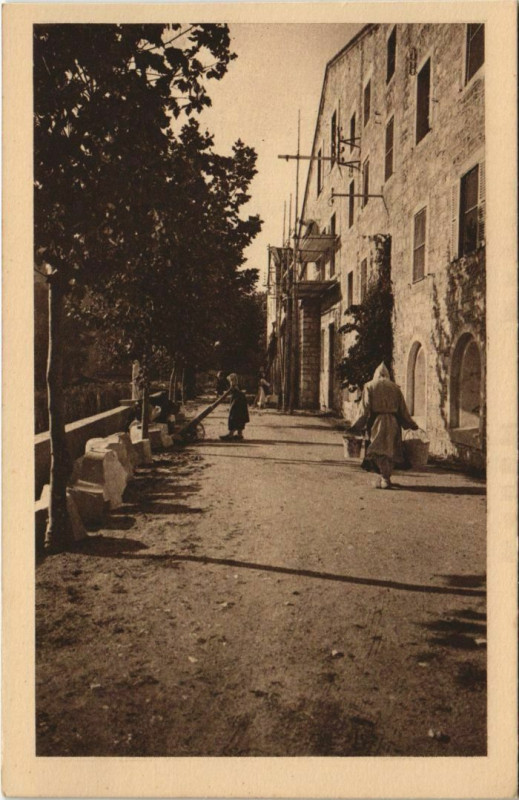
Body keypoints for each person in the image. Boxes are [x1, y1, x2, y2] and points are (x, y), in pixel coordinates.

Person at [348, 362, 418, 489]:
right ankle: (385, 477)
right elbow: (403, 409)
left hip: (377, 422)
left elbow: (364, 410)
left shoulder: (369, 386)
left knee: (378, 450)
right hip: (393, 422)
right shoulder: (395, 388)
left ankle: (385, 479)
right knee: (390, 450)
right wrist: (410, 424)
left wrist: (356, 426)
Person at [219, 373, 250, 441]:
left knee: (233, 416)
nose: (230, 382)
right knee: (240, 417)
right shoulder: (235, 385)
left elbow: (234, 392)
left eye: (230, 380)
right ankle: (239, 434)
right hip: (240, 400)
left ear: (232, 380)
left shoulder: (234, 385)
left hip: (238, 400)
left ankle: (231, 434)